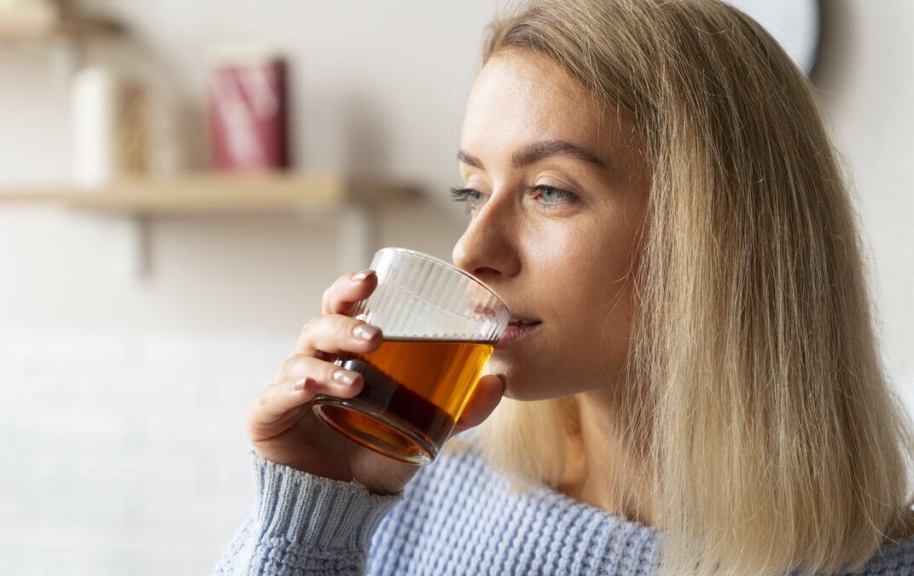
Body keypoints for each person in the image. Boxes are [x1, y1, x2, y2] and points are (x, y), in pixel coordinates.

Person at [214, 0, 914, 574]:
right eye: (474, 189)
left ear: (719, 236)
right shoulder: (410, 505)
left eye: (549, 192)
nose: (471, 249)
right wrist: (310, 518)